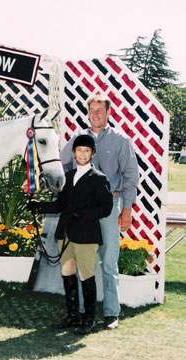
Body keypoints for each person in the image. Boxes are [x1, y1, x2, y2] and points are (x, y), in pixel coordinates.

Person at [60, 92, 139, 329]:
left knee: (109, 261)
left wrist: (127, 210)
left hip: (109, 208)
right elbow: (60, 165)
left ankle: (112, 313)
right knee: (85, 261)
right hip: (81, 213)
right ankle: (84, 312)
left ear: (108, 113)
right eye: (92, 110)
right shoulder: (77, 138)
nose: (95, 114)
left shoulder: (121, 140)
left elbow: (131, 176)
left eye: (100, 110)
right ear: (87, 112)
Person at [29, 134, 113, 334]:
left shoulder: (99, 179)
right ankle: (73, 316)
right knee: (67, 273)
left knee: (86, 275)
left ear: (92, 154)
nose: (82, 154)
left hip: (86, 236)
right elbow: (60, 205)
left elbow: (106, 208)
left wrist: (82, 214)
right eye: (79, 150)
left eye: (86, 150)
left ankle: (89, 319)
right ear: (74, 153)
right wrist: (39, 207)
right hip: (66, 234)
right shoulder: (68, 176)